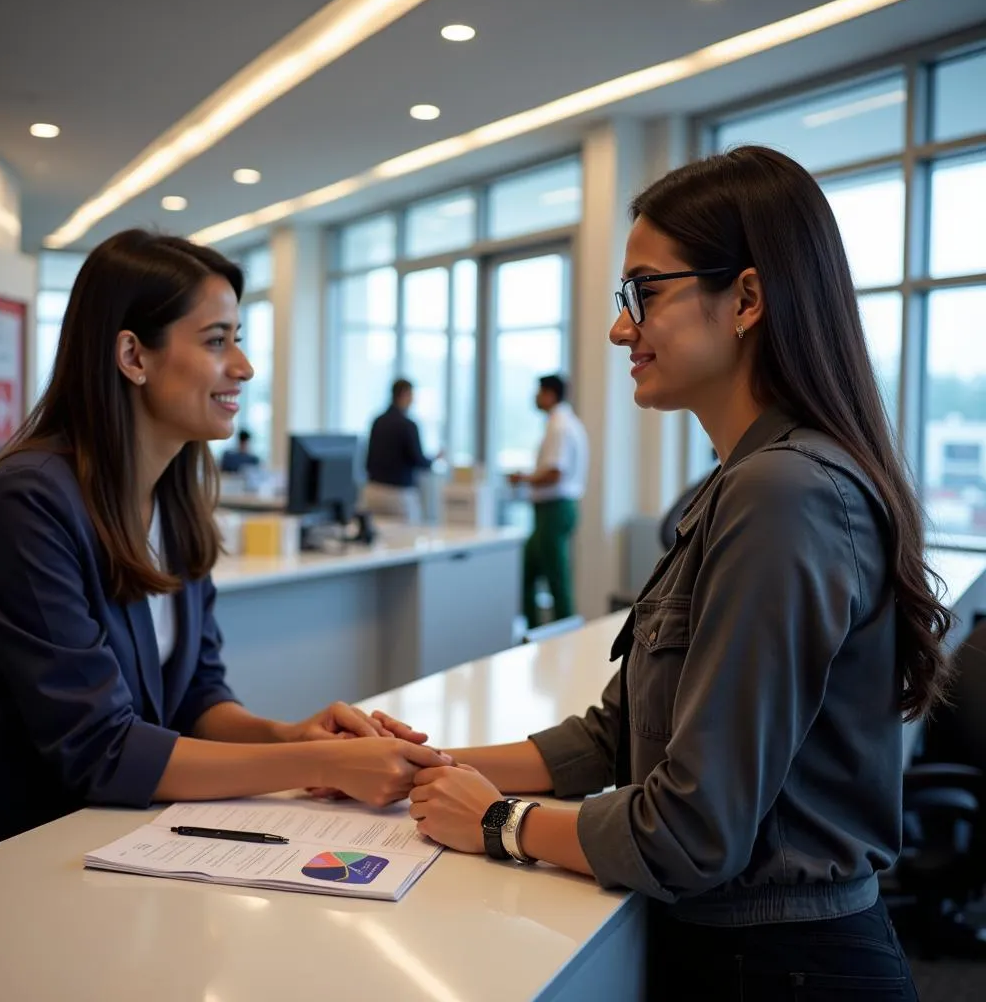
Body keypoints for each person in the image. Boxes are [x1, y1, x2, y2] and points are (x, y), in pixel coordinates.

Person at [407, 147, 953, 1000]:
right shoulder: (740, 483)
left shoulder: (783, 491)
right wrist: (420, 769)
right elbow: (612, 739)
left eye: (644, 293)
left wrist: (495, 821)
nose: (623, 329)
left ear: (745, 298)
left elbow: (694, 830)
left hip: (783, 970)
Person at [0, 230, 448, 857]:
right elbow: (100, 750)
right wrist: (320, 764)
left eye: (238, 340)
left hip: (115, 841)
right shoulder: (28, 502)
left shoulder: (174, 498)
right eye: (217, 340)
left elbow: (193, 697)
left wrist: (290, 738)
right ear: (133, 356)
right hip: (15, 855)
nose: (243, 367)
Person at [509, 374, 588, 628]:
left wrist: (524, 478)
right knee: (527, 572)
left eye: (539, 392)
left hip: (554, 510)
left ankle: (566, 635)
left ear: (550, 394)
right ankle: (532, 632)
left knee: (557, 579)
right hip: (550, 510)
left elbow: (555, 472)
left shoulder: (559, 426)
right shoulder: (563, 423)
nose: (535, 397)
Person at [363, 378, 438, 521]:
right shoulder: (407, 425)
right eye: (411, 395)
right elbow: (418, 459)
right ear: (404, 394)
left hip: (373, 490)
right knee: (408, 539)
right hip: (398, 495)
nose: (413, 400)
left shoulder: (377, 421)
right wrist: (434, 460)